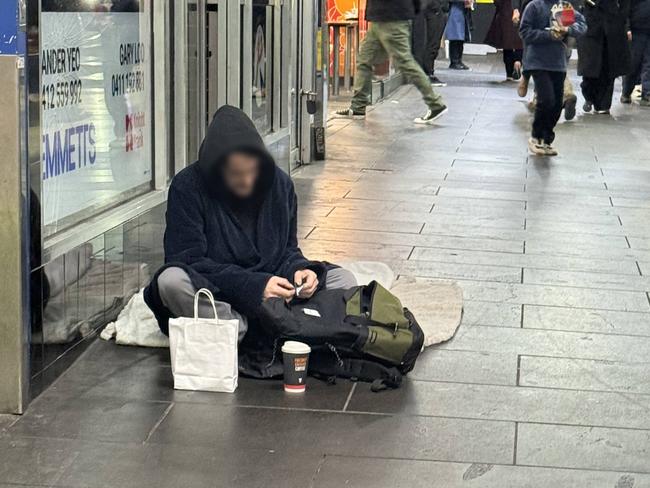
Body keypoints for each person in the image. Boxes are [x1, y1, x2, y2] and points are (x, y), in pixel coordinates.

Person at [144, 106, 357, 362]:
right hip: (220, 291)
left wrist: (300, 271)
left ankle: (283, 327)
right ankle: (241, 330)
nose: (246, 182)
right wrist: (254, 288)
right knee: (171, 281)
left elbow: (287, 250)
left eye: (251, 172)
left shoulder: (278, 184)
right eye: (236, 175)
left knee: (343, 279)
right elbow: (187, 260)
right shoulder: (188, 187)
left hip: (273, 289)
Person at [335, 0, 448, 124]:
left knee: (405, 63)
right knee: (364, 60)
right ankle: (358, 107)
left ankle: (435, 104)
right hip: (382, 17)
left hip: (392, 17)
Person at [520, 0, 587, 155]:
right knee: (546, 99)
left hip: (558, 63)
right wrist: (548, 34)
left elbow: (582, 25)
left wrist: (567, 29)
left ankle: (547, 139)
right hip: (537, 62)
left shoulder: (564, 7)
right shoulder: (534, 6)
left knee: (557, 104)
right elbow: (525, 32)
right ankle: (536, 137)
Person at [578, 0, 631, 114]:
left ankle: (604, 105)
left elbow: (625, 4)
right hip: (590, 24)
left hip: (612, 25)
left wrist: (621, 19)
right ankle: (589, 96)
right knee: (590, 66)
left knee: (608, 67)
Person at [412, 0, 450, 86]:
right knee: (431, 41)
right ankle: (427, 73)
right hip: (433, 6)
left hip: (430, 6)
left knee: (426, 39)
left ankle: (425, 72)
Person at [485, 0, 524, 80]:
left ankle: (509, 73)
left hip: (506, 12)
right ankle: (518, 61)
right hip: (522, 12)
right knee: (520, 41)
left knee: (507, 43)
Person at [621, 0, 650, 106]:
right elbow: (625, 9)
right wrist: (627, 28)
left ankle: (647, 93)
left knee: (649, 64)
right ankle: (626, 92)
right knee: (633, 64)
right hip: (636, 31)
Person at [446, 0, 474, 69]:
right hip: (455, 10)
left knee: (461, 38)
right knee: (455, 37)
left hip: (463, 11)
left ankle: (459, 60)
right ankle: (454, 61)